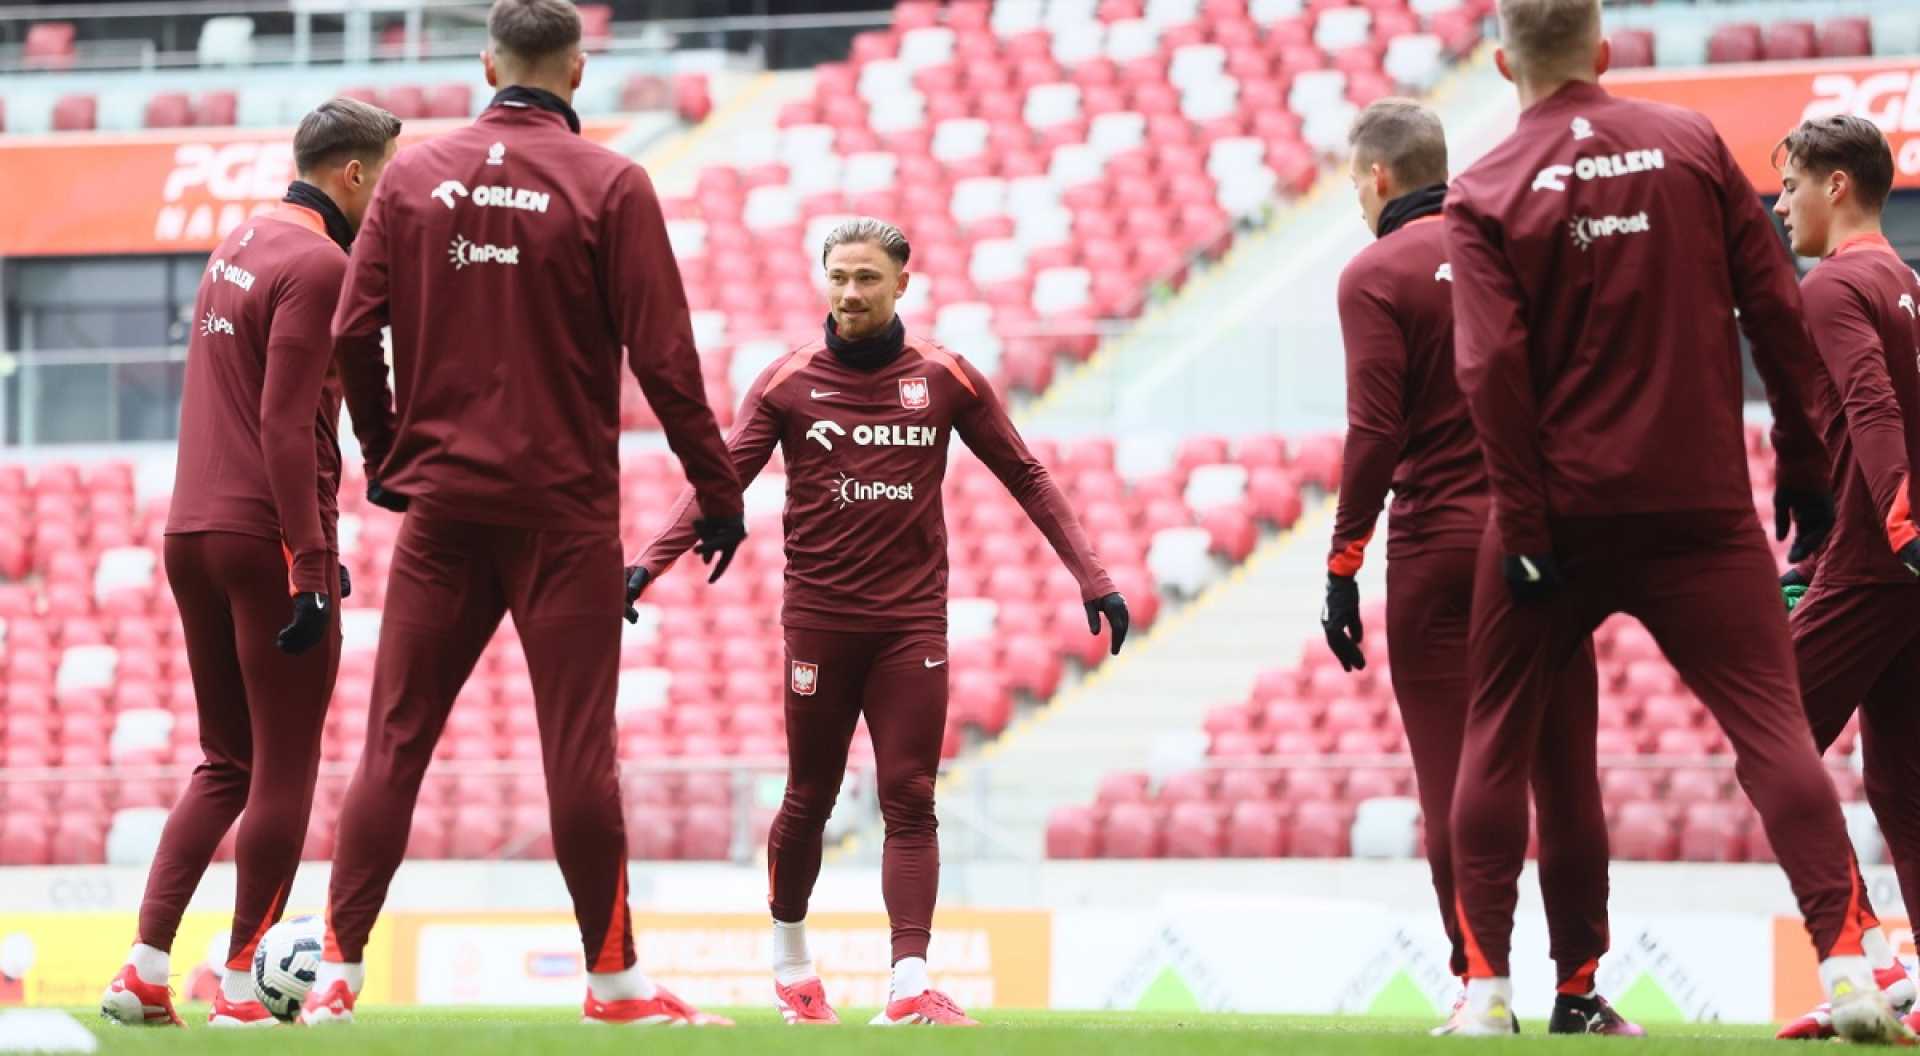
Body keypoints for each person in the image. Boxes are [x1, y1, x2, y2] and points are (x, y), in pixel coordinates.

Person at [1442, 0, 1909, 1042]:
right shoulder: (1691, 142)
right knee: (1777, 731)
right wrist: (1798, 459)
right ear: (1606, 52)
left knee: (1493, 739)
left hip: (1554, 514)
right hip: (1698, 503)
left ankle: (1485, 994)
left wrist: (1520, 524)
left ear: (1501, 59)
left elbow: (1489, 370)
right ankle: (1849, 970)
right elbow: (1774, 308)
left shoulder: (1480, 190)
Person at [305, 0, 743, 1027]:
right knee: (579, 757)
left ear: (489, 60)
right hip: (563, 514)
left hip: (444, 509)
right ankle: (616, 986)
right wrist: (716, 492)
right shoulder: (612, 182)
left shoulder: (411, 175)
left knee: (395, 741)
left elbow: (350, 329)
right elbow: (666, 359)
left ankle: (336, 971)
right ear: (578, 73)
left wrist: (384, 450)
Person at [631, 217, 1128, 1027]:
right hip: (820, 625)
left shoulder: (944, 376)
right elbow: (721, 480)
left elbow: (1027, 474)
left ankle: (907, 984)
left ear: (903, 282)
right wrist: (648, 563)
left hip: (910, 627)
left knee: (911, 796)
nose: (850, 292)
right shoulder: (788, 380)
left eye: (867, 277)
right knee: (810, 796)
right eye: (838, 277)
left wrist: (1092, 576)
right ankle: (793, 970)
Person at [1323, 97, 1635, 1036]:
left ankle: (1483, 988)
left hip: (1438, 551)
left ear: (1377, 178)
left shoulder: (1373, 272)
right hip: (1544, 540)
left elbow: (1376, 430)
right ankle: (1579, 992)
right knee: (1566, 773)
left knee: (1455, 778)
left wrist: (1343, 560)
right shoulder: (1518, 250)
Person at [99, 98, 401, 1029]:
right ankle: (241, 990)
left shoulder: (239, 240)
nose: (387, 195)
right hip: (265, 533)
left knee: (224, 760)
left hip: (192, 528)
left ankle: (146, 970)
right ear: (353, 173)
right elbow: (281, 422)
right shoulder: (321, 262)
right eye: (385, 177)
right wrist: (312, 558)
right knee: (284, 768)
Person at [1771, 114, 1920, 1041]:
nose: (1781, 204)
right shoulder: (1905, 280)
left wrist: (1897, 527)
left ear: (1835, 186)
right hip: (1891, 560)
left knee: (1771, 741)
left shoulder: (1831, 284)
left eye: (1790, 186)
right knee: (1903, 784)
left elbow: (1870, 407)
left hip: (1882, 558)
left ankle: (1867, 960)